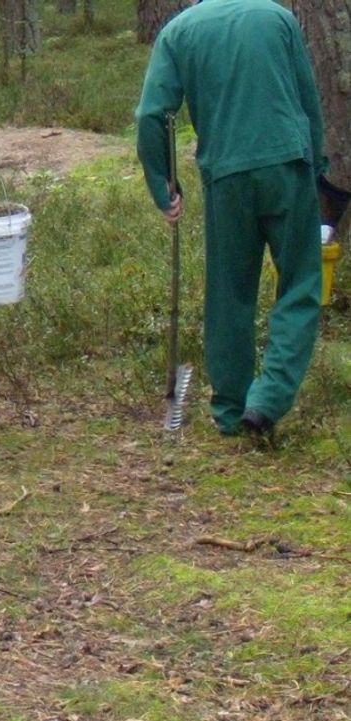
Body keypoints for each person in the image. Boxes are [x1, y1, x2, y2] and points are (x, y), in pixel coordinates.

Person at [136, 0, 326, 439]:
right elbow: (307, 97)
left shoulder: (180, 30)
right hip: (287, 166)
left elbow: (151, 114)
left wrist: (161, 181)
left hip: (226, 176)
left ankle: (230, 410)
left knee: (229, 292)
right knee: (300, 282)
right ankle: (269, 399)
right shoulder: (277, 17)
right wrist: (316, 165)